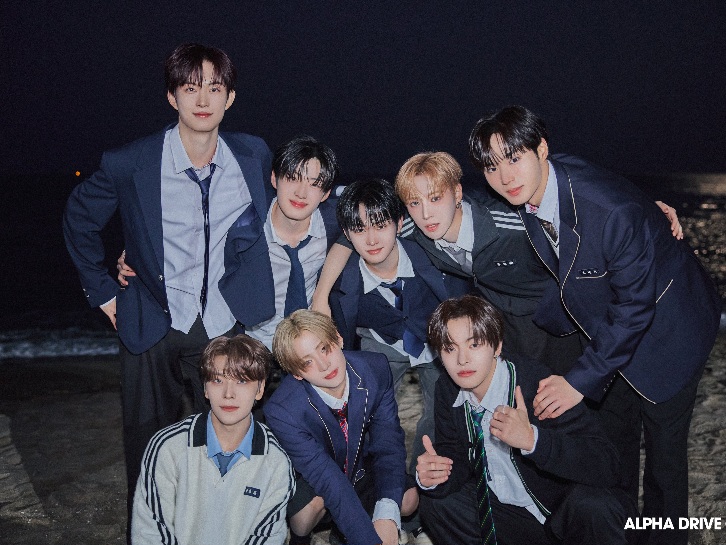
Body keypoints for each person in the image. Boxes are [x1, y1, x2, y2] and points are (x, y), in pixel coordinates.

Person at [468, 105, 722, 545]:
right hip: (610, 334)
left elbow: (635, 307)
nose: (505, 177)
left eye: (513, 158)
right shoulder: (529, 193)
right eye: (491, 167)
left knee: (664, 464)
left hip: (670, 330)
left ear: (541, 148)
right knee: (614, 446)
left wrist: (577, 382)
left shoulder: (608, 210)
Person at [62, 43, 274, 529]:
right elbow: (79, 218)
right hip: (151, 318)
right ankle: (151, 531)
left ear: (230, 98)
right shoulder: (131, 162)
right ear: (172, 96)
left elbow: (289, 208)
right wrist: (105, 293)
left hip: (223, 321)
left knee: (229, 439)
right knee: (148, 445)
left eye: (214, 88)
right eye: (190, 87)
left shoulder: (252, 154)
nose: (202, 99)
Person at [417, 295, 632, 545]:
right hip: (514, 519)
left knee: (594, 506)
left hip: (564, 517)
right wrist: (436, 474)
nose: (461, 359)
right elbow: (457, 456)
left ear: (497, 346)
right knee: (436, 504)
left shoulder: (536, 384)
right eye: (450, 348)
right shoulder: (448, 389)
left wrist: (533, 440)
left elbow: (607, 464)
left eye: (474, 344)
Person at [264, 310, 418, 545]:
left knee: (407, 500)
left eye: (324, 348)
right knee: (308, 512)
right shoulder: (283, 410)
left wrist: (386, 516)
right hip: (315, 477)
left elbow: (388, 444)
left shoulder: (374, 369)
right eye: (307, 362)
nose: (324, 365)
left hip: (359, 465)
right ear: (296, 374)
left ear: (338, 338)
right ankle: (301, 539)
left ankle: (349, 528)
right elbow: (327, 478)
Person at [329, 178, 449, 473]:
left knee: (442, 408)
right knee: (371, 411)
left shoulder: (430, 253)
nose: (371, 240)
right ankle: (386, 478)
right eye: (359, 230)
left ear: (400, 222)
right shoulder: (341, 283)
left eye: (381, 226)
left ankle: (423, 474)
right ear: (346, 233)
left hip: (435, 339)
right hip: (380, 341)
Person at [132, 335, 294, 545]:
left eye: (242, 381)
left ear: (260, 389)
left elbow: (266, 538)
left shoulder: (276, 462)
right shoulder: (167, 447)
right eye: (218, 380)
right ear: (205, 389)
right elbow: (150, 532)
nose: (228, 394)